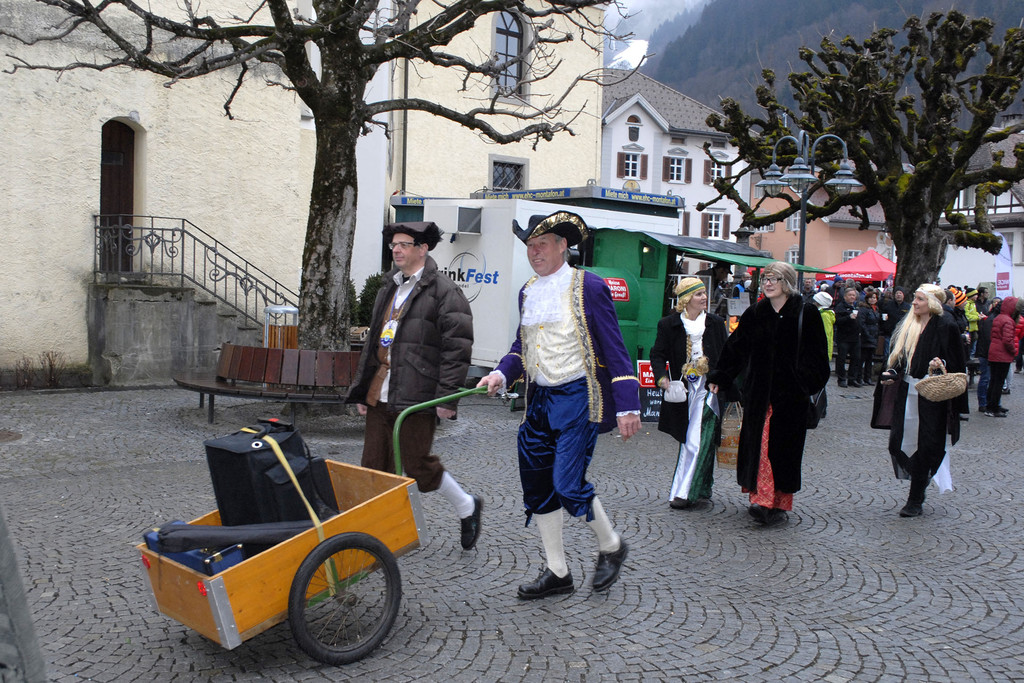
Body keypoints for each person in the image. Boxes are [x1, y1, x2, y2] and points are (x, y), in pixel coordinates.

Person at [477, 211, 639, 599]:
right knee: (537, 485)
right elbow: (522, 347)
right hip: (538, 402)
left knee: (567, 484)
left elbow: (615, 347)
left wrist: (628, 405)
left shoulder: (590, 287)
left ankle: (612, 545)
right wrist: (501, 373)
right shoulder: (528, 291)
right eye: (530, 246)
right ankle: (557, 571)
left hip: (579, 398)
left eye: (542, 244)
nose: (535, 252)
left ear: (563, 245)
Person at [347, 221, 483, 550]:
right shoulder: (389, 287)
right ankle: (379, 534)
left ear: (423, 249)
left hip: (417, 394)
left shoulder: (444, 291)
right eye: (394, 244)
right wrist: (364, 389)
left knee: (418, 465)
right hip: (381, 391)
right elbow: (375, 343)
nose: (396, 250)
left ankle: (467, 506)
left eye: (404, 244)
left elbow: (457, 347)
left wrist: (446, 399)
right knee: (374, 466)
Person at [707, 261, 831, 527]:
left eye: (775, 278)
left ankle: (777, 503)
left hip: (790, 399)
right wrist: (720, 376)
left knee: (783, 451)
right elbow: (736, 348)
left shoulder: (806, 312)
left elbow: (819, 357)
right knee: (759, 447)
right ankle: (761, 499)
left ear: (787, 282)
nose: (769, 283)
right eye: (766, 279)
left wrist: (802, 384)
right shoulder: (756, 312)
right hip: (759, 395)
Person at [873, 283, 969, 518]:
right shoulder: (909, 323)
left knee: (927, 444)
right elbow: (899, 356)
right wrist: (891, 371)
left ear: (932, 303)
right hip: (907, 390)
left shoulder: (946, 325)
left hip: (932, 394)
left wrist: (941, 364)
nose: (914, 303)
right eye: (915, 298)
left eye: (920, 299)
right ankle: (920, 476)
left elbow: (957, 361)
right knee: (898, 443)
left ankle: (915, 497)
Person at [649, 277, 734, 510]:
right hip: (683, 390)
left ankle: (684, 491)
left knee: (698, 437)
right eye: (698, 294)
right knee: (694, 436)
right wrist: (662, 378)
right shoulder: (668, 324)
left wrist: (719, 379)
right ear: (686, 299)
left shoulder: (715, 323)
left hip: (710, 389)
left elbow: (726, 356)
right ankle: (702, 486)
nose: (704, 297)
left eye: (704, 293)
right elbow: (657, 354)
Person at [984, 296, 1020, 417]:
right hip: (1002, 354)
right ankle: (994, 408)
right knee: (998, 382)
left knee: (994, 380)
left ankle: (990, 405)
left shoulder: (998, 317)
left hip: (994, 352)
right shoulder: (1008, 321)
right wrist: (1014, 350)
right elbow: (1007, 340)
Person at [834, 287, 863, 387]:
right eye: (850, 295)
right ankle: (841, 379)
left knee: (856, 358)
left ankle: (852, 379)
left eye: (853, 295)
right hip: (844, 337)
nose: (852, 297)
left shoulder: (856, 307)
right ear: (845, 296)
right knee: (842, 359)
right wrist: (848, 317)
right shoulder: (840, 307)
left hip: (855, 337)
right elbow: (837, 321)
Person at [814, 290, 835, 419]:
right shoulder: (823, 314)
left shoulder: (824, 316)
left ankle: (821, 408)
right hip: (822, 352)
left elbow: (825, 336)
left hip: (821, 353)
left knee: (819, 382)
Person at [974, 301, 997, 413]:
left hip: (986, 352)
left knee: (987, 378)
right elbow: (988, 339)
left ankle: (987, 402)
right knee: (986, 378)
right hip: (986, 353)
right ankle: (983, 403)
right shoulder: (990, 320)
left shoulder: (989, 319)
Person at [858, 287, 881, 384]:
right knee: (862, 358)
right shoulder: (864, 309)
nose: (873, 299)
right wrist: (867, 335)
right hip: (866, 337)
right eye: (871, 298)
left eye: (874, 298)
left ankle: (867, 378)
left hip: (874, 336)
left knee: (870, 359)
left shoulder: (876, 309)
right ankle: (859, 377)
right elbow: (862, 323)